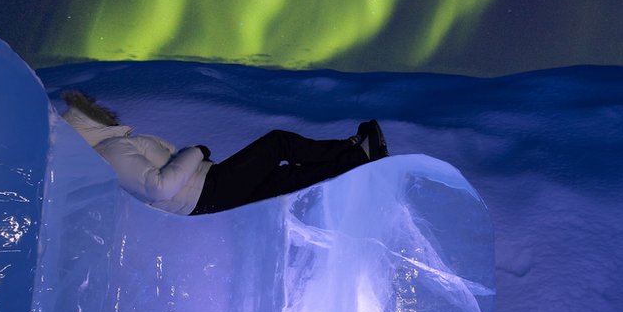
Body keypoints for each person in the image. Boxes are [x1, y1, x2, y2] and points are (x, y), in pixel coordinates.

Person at [60, 89, 388, 216]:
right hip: (206, 190)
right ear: (87, 126)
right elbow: (159, 187)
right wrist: (196, 151)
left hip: (204, 193)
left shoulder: (110, 149)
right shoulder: (111, 151)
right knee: (277, 143)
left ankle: (359, 158)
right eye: (92, 112)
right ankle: (351, 148)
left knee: (283, 179)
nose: (100, 111)